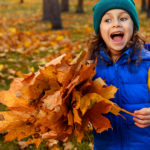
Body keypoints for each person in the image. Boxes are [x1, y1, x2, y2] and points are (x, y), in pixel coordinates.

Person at [87, 0, 150, 149]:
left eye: (123, 18)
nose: (116, 24)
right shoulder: (90, 68)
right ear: (100, 30)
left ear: (133, 26)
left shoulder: (148, 63)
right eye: (107, 20)